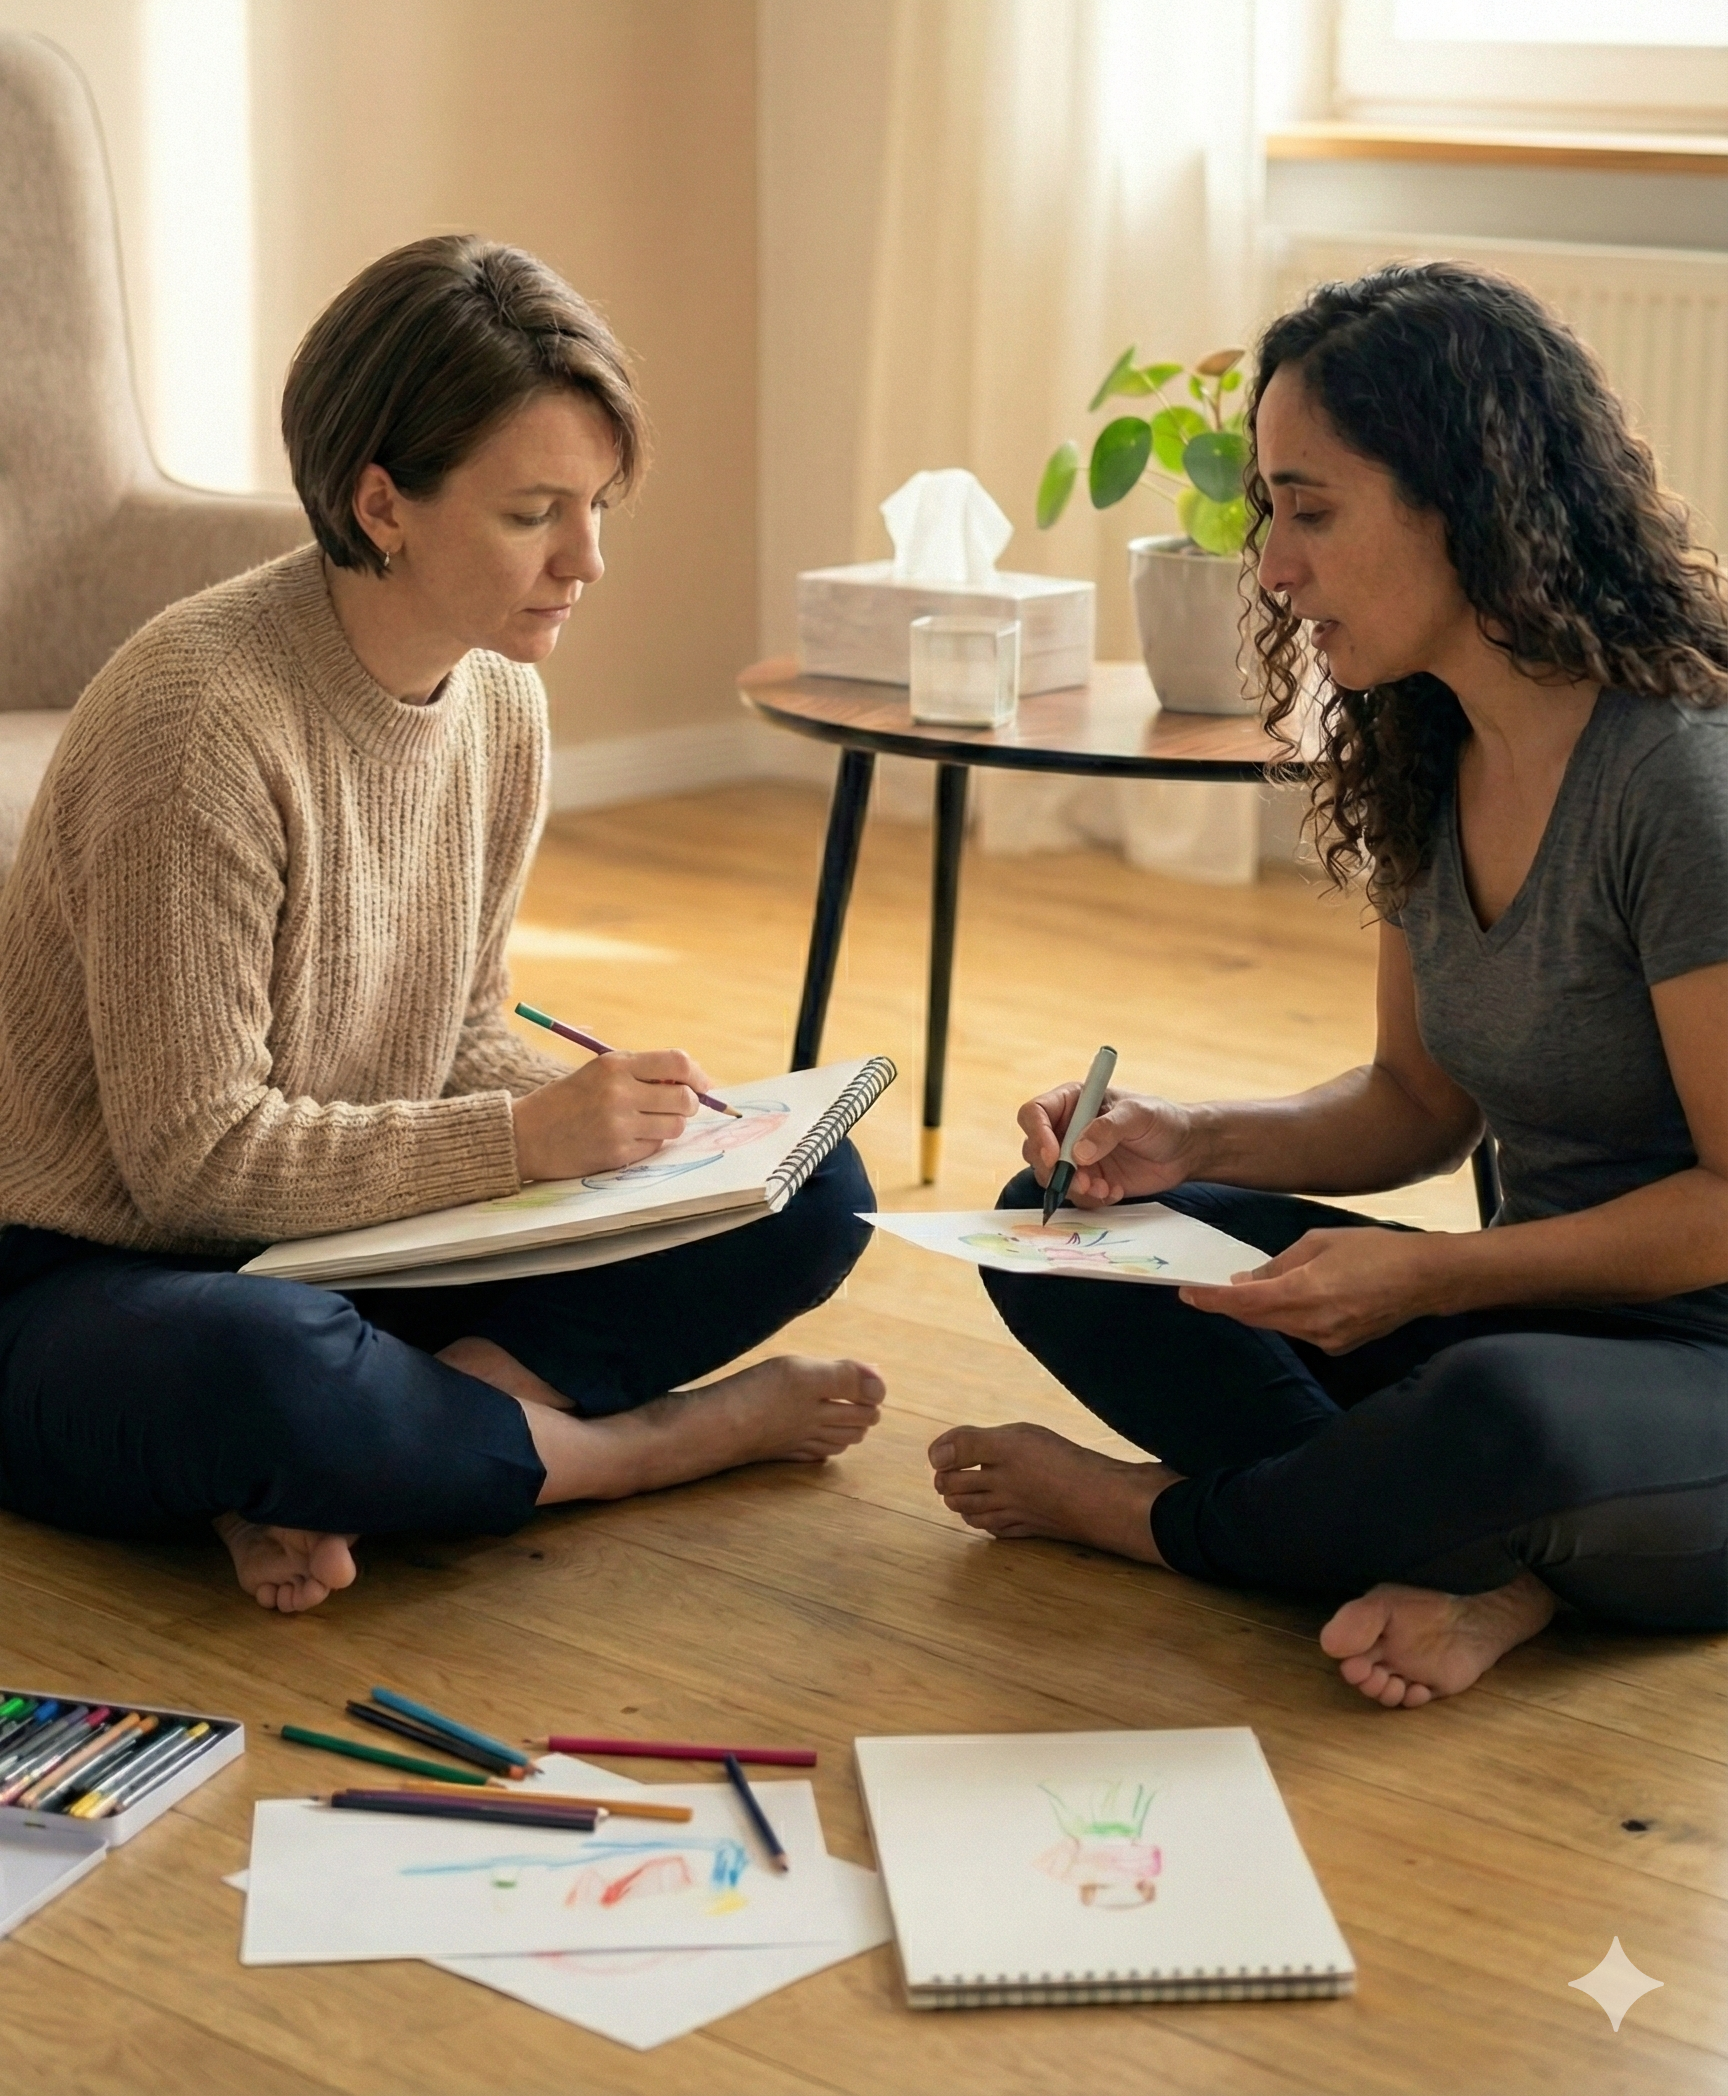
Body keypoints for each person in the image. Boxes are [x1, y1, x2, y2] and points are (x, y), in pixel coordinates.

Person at [0, 235, 881, 1612]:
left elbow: (459, 1030)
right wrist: (529, 1141)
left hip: (347, 1244)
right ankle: (626, 1453)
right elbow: (188, 1163)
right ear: (382, 502)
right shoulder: (199, 720)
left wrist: (636, 1125)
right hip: (97, 1280)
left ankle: (359, 1462)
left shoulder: (498, 698)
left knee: (808, 1189)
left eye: (597, 505)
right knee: (274, 1371)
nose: (584, 558)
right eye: (535, 511)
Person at [930, 262, 1728, 1705]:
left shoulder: (1678, 781)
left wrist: (1436, 1274)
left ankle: (1157, 1521)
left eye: (1312, 510)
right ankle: (1477, 1562)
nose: (1276, 569)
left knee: (1492, 1415)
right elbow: (1416, 1103)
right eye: (1269, 515)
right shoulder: (1432, 749)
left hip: (1681, 1369)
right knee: (1064, 1240)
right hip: (1536, 1320)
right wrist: (1194, 1141)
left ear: (1466, 501)